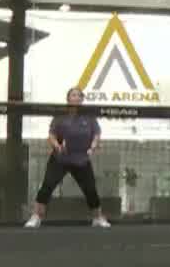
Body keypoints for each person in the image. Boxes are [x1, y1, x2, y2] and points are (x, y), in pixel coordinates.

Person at [24, 88, 110, 229]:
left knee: (90, 190)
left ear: (82, 100)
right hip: (60, 159)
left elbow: (96, 134)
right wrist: (57, 146)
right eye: (73, 95)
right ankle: (36, 217)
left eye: (78, 96)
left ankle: (98, 218)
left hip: (81, 160)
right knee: (47, 186)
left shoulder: (89, 116)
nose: (76, 98)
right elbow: (51, 135)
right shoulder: (60, 115)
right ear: (68, 99)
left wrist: (93, 147)